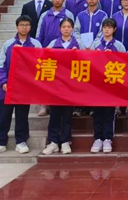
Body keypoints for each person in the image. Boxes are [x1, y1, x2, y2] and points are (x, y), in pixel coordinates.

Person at [0, 16, 42, 155]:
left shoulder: (35, 44)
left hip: (25, 88)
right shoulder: (8, 44)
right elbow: (1, 66)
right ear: (17, 27)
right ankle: (0, 142)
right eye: (22, 25)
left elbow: (40, 65)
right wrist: (3, 82)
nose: (24, 27)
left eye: (27, 25)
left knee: (22, 115)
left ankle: (21, 141)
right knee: (4, 115)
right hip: (8, 88)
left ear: (30, 27)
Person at [42, 18, 83, 155]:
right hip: (56, 86)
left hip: (70, 86)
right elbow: (44, 59)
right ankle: (53, 142)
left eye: (69, 26)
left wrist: (78, 54)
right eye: (64, 26)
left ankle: (65, 141)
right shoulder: (54, 43)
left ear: (72, 29)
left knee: (67, 115)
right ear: (60, 29)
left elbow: (86, 61)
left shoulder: (77, 43)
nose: (66, 29)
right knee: (54, 114)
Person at [89, 18, 126, 153]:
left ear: (114, 29)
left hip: (111, 85)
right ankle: (98, 138)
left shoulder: (119, 45)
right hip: (98, 85)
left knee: (109, 113)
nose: (107, 29)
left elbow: (124, 63)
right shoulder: (96, 44)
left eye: (109, 27)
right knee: (98, 112)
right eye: (105, 27)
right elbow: (90, 61)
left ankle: (107, 138)